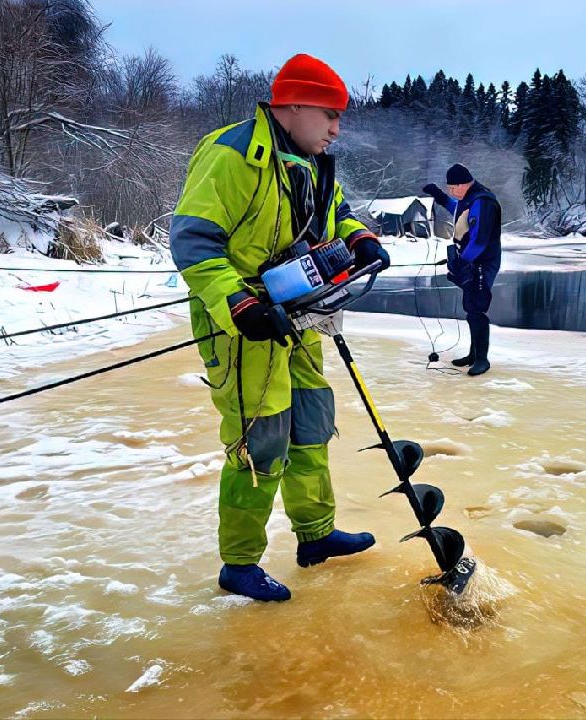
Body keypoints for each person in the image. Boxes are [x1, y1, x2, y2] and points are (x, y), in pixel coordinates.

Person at [170, 54, 390, 602]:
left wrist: (360, 237)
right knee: (261, 440)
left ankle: (316, 534)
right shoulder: (233, 155)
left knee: (312, 420)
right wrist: (239, 304)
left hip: (299, 313)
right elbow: (194, 242)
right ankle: (239, 564)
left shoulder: (311, 160)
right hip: (243, 326)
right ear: (292, 105)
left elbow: (336, 211)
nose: (337, 129)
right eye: (330, 115)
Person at [422, 164, 502, 376]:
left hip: (483, 262)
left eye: (452, 188)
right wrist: (439, 196)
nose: (451, 191)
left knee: (477, 308)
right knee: (471, 307)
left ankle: (482, 360)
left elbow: (480, 240)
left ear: (463, 184)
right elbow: (458, 211)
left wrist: (462, 262)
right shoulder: (470, 198)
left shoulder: (483, 201)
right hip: (471, 261)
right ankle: (473, 355)